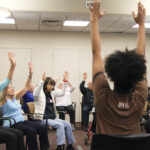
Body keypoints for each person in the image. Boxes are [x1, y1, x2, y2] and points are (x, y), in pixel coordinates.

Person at [88, 0, 147, 135]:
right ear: (137, 75)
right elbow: (141, 58)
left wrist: (94, 20)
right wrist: (142, 24)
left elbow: (96, 53)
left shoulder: (103, 97)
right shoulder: (140, 98)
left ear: (112, 75)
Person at [0, 62, 50, 150]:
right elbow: (6, 85)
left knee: (42, 128)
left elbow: (26, 87)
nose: (12, 88)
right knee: (32, 131)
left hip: (21, 121)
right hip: (12, 123)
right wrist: (12, 67)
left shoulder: (15, 96)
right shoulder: (3, 99)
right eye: (9, 87)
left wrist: (30, 74)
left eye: (12, 87)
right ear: (5, 90)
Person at [33, 72, 75, 150]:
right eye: (50, 84)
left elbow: (62, 93)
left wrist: (65, 82)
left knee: (68, 124)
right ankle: (60, 147)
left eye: (53, 85)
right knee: (60, 125)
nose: (52, 86)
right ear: (45, 85)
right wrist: (41, 81)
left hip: (52, 118)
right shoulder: (39, 94)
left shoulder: (51, 93)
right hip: (42, 119)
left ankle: (69, 145)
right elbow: (35, 93)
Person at [0, 52, 24, 150]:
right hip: (8, 122)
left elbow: (6, 82)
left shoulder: (4, 93)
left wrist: (13, 66)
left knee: (19, 133)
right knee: (12, 137)